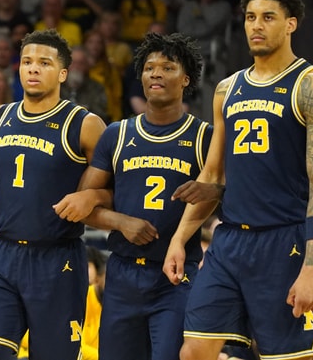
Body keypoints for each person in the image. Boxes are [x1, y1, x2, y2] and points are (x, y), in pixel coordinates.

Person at [163, 0, 313, 360]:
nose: (256, 26)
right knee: (193, 350)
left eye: (268, 17)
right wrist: (180, 238)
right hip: (229, 243)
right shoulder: (227, 88)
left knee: (293, 357)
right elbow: (211, 176)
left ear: (291, 23)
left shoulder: (312, 87)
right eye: (250, 17)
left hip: (284, 243)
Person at [0, 29, 107, 360]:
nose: (33, 68)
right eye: (27, 61)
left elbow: (115, 188)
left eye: (44, 63)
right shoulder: (1, 116)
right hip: (3, 255)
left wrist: (93, 197)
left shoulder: (84, 124)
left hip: (56, 259)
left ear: (62, 73)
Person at [82, 32, 214, 360]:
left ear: (186, 79)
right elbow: (83, 206)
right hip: (123, 272)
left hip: (175, 276)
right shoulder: (117, 134)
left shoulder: (203, 136)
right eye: (149, 67)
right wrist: (121, 222)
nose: (155, 73)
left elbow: (227, 194)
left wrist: (215, 192)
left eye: (167, 67)